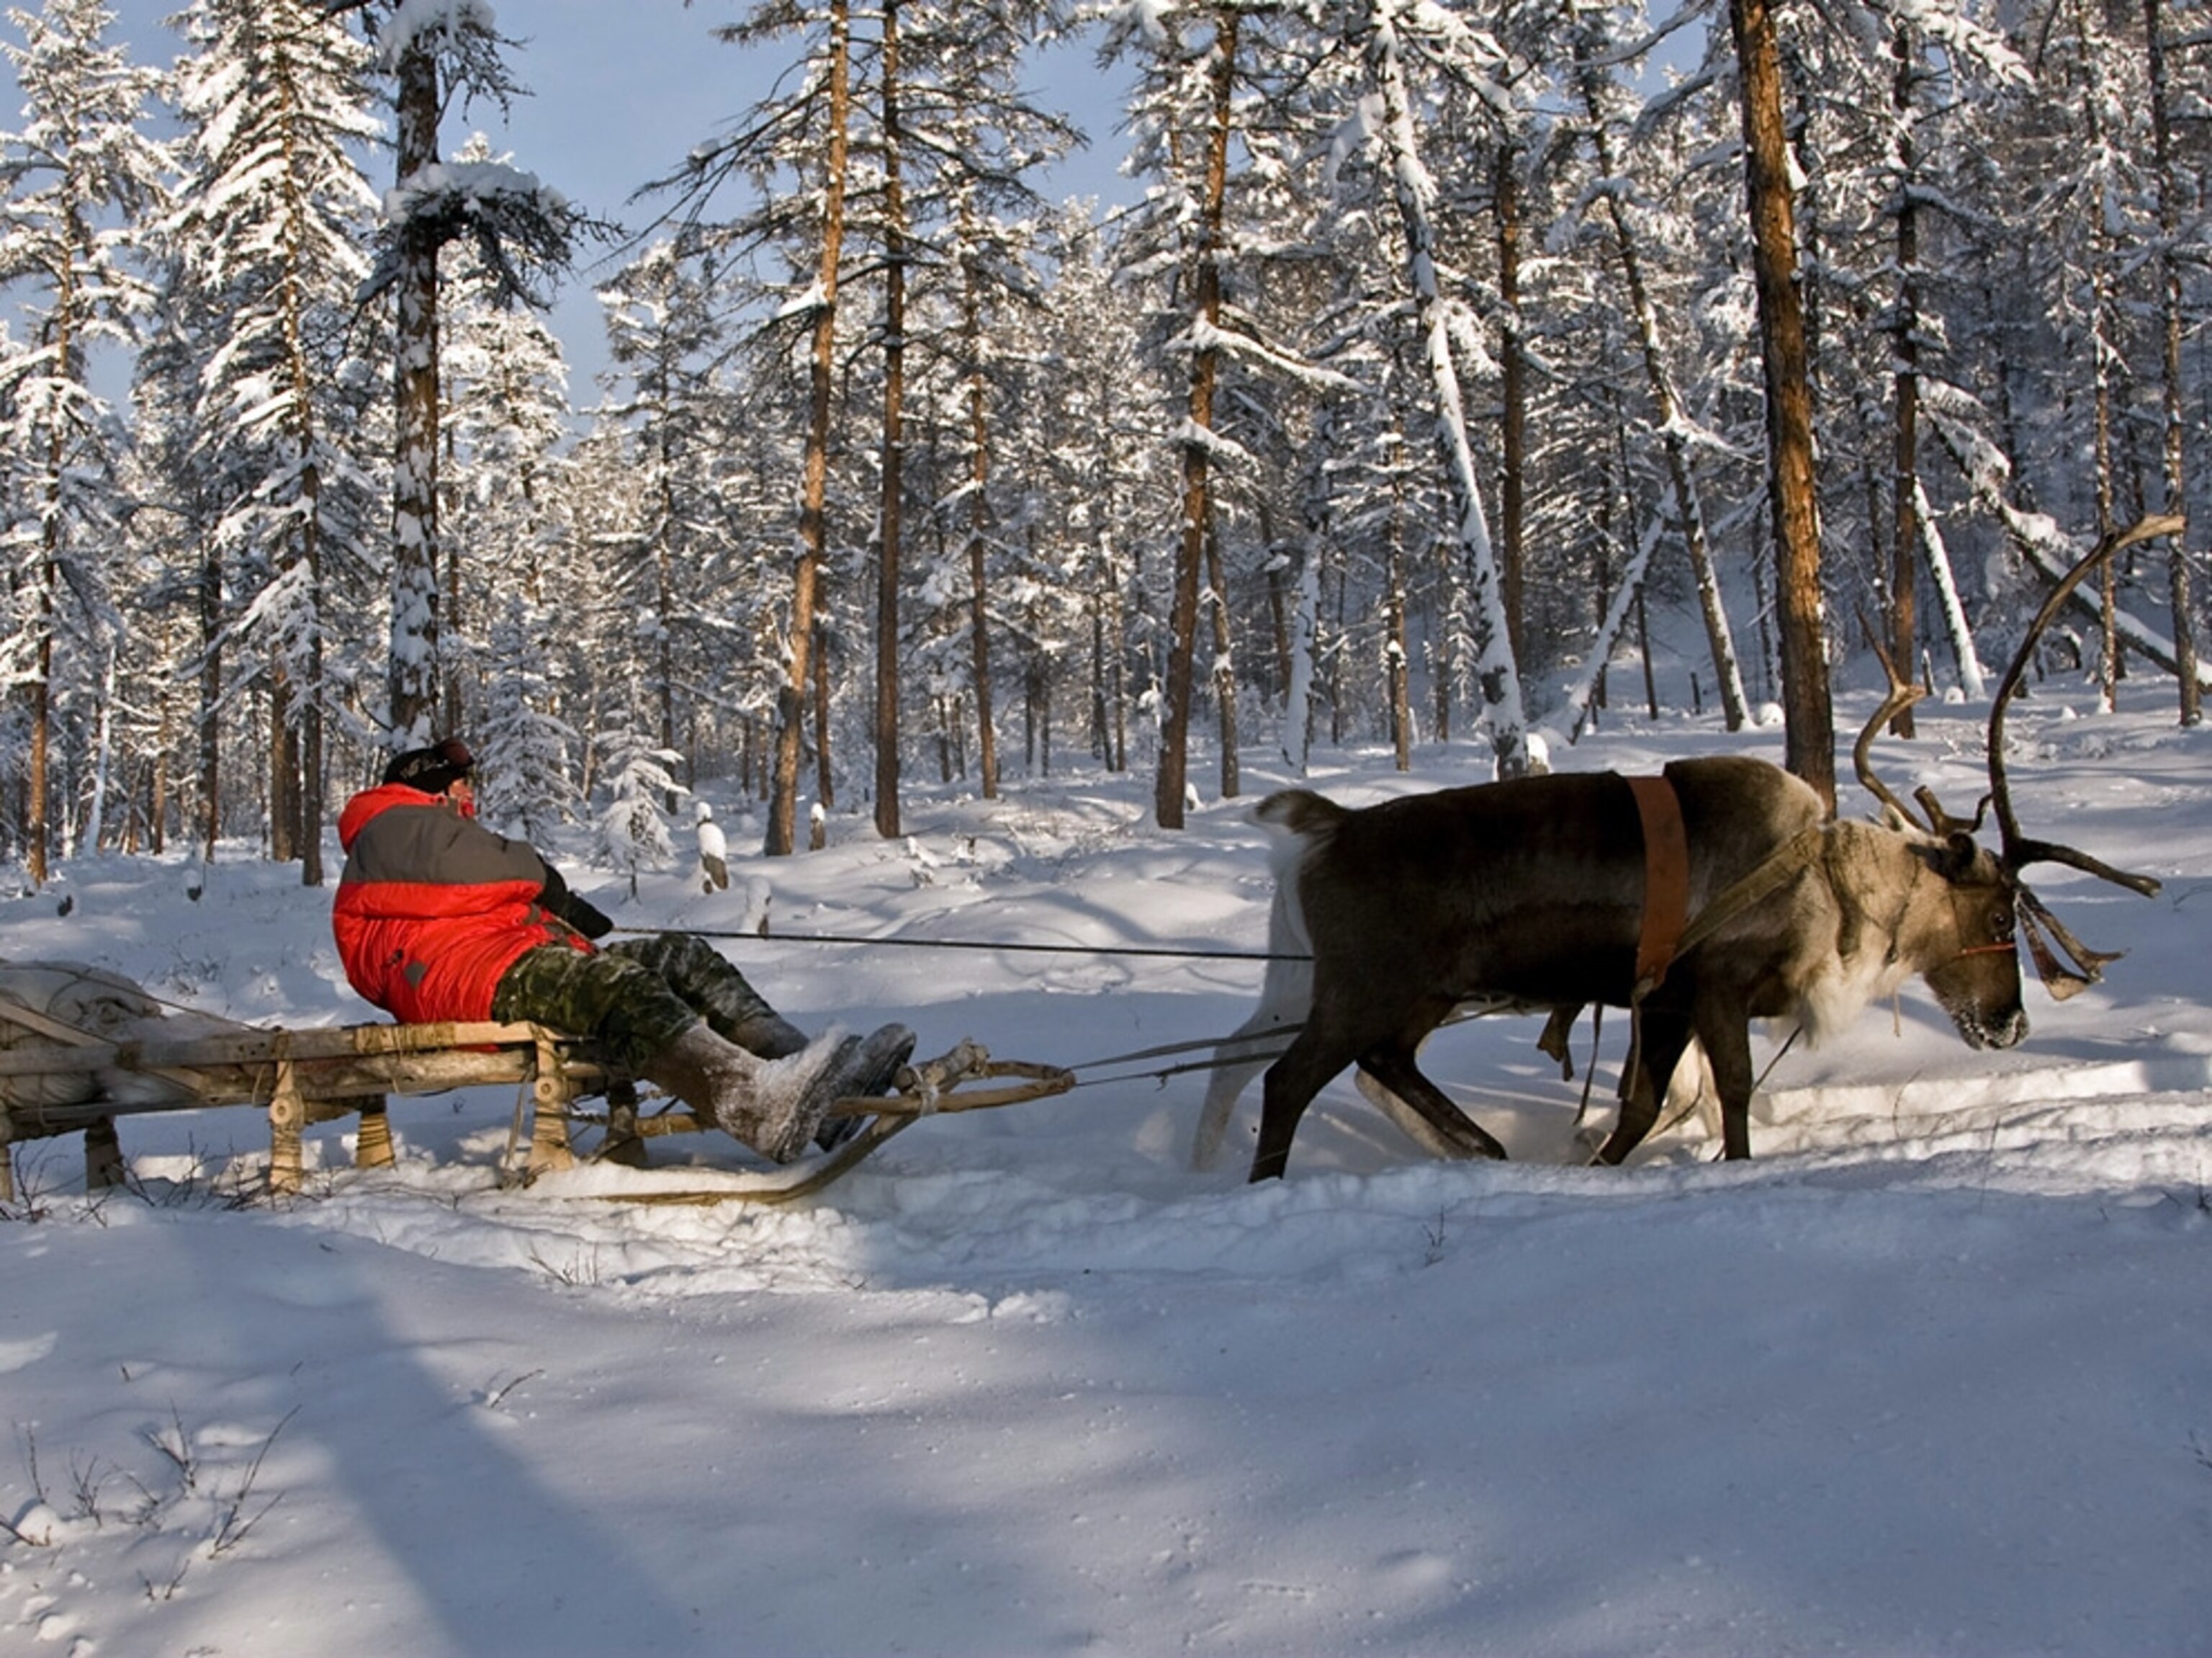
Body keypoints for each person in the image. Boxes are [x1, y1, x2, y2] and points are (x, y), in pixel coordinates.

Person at [332, 737, 913, 1163]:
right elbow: (485, 868)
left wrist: (556, 914)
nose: (470, 793)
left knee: (680, 957)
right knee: (621, 989)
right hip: (469, 979)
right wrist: (547, 884)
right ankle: (756, 1105)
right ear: (427, 786)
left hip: (500, 959)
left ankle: (811, 1084)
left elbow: (480, 885)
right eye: (460, 784)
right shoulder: (388, 822)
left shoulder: (411, 836)